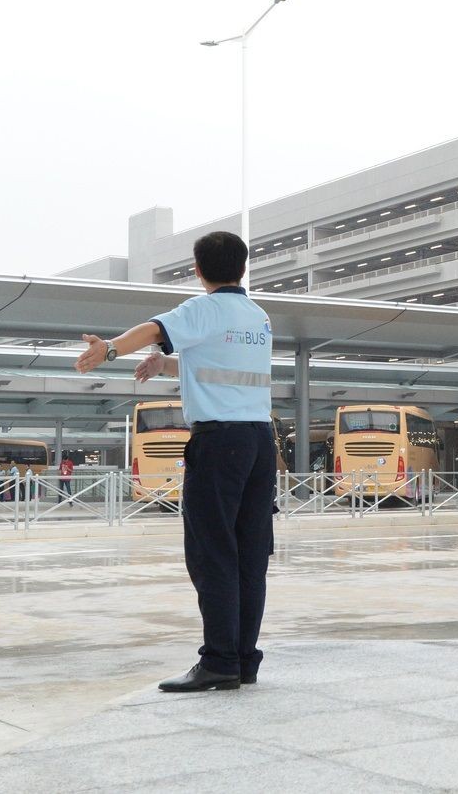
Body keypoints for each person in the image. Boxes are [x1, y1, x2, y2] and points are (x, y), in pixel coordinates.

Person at [76, 230, 276, 693]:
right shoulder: (258, 316)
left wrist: (108, 349)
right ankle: (244, 659)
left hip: (219, 443)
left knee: (213, 553)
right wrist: (164, 366)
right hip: (259, 442)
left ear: (198, 270)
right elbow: (217, 363)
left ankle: (219, 661)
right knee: (250, 556)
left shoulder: (201, 308)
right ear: (242, 268)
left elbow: (152, 330)